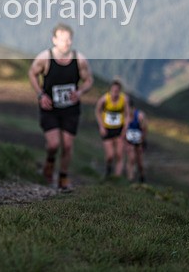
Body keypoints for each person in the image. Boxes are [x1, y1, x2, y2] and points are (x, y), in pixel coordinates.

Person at [28, 24, 93, 190]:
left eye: (69, 39)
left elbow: (89, 80)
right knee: (53, 144)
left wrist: (79, 92)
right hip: (50, 108)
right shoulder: (45, 57)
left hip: (71, 109)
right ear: (54, 40)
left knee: (68, 145)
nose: (66, 43)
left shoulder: (80, 60)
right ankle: (50, 162)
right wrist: (40, 95)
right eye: (63, 39)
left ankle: (63, 177)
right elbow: (32, 73)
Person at [95, 79, 130, 178]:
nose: (115, 93)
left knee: (119, 154)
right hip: (107, 129)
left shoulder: (124, 100)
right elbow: (97, 111)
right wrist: (101, 126)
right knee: (110, 155)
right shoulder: (104, 99)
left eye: (117, 91)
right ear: (110, 90)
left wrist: (125, 128)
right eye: (113, 90)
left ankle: (117, 178)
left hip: (119, 129)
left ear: (120, 91)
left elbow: (127, 114)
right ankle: (108, 168)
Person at [125, 106, 148, 183]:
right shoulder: (124, 115)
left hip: (139, 141)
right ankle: (130, 179)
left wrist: (142, 142)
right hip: (129, 140)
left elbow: (144, 129)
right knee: (131, 159)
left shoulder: (140, 115)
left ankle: (142, 177)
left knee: (140, 162)